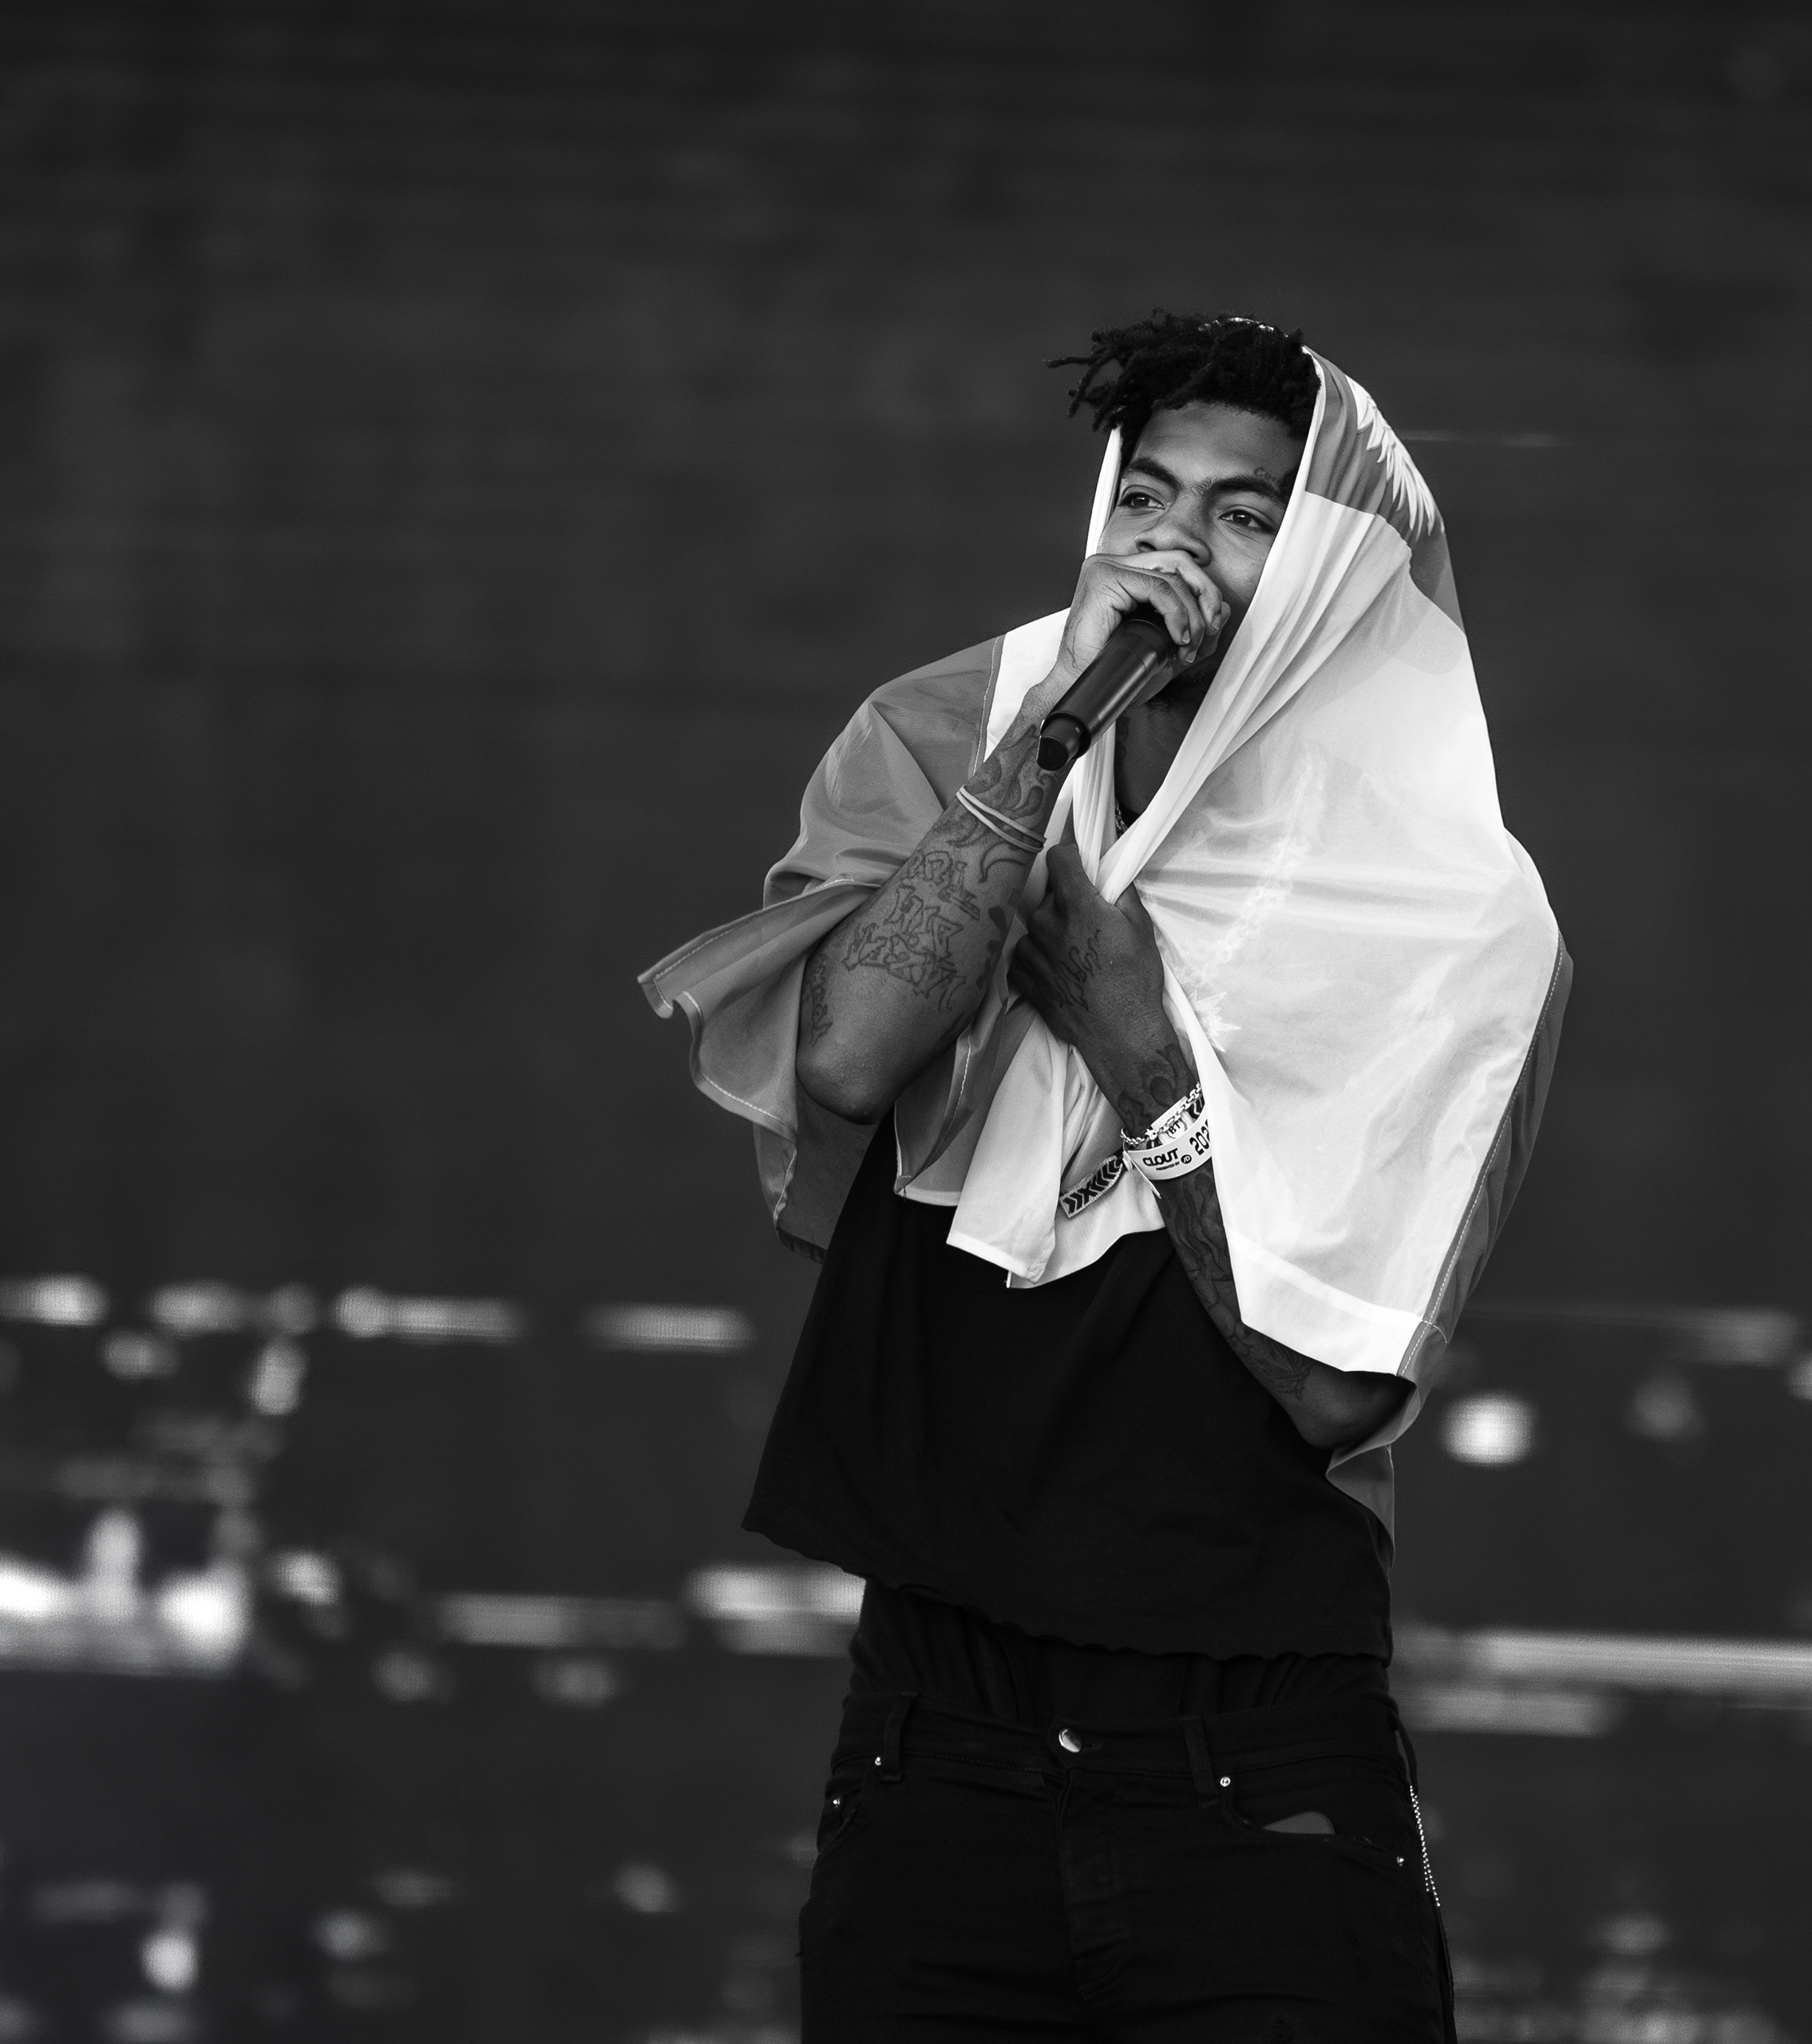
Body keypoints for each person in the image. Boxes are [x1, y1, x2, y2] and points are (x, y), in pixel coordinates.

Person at [644, 311, 1567, 2041]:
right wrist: (1046, 741)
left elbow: (1335, 1385)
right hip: (935, 1736)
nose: (1174, 550)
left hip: (1253, 1763)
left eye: (1244, 513)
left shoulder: (1452, 909)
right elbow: (846, 1059)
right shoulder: (955, 734)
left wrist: (1146, 1057)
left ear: (1336, 568)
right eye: (1147, 496)